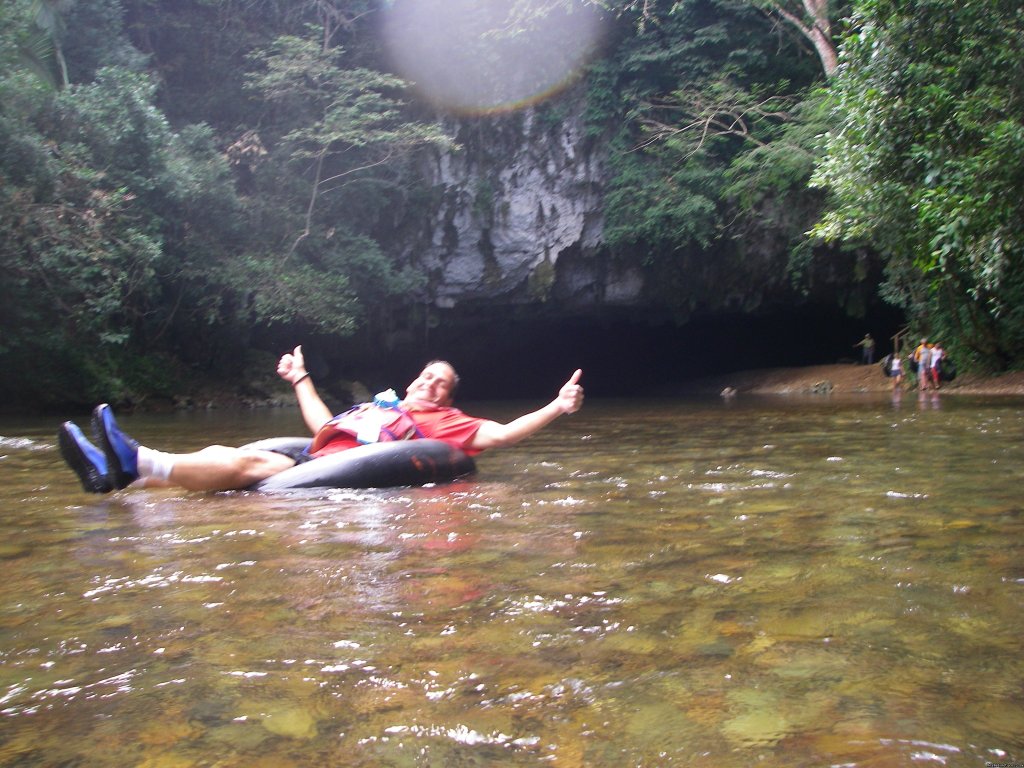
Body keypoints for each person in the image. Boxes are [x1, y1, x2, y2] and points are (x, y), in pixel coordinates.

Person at [58, 346, 585, 494]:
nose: (429, 383)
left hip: (339, 472)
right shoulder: (386, 408)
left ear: (449, 397)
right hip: (324, 455)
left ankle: (134, 461)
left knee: (240, 464)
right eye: (425, 376)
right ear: (411, 380)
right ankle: (115, 473)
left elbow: (500, 434)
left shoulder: (448, 423)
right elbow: (325, 426)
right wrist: (300, 378)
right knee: (232, 456)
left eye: (440, 382)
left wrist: (557, 406)